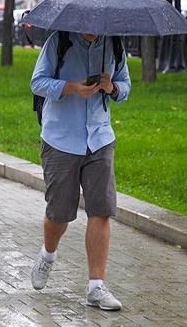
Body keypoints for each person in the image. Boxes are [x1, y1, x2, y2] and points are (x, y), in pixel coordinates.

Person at [29, 31, 131, 311]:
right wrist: (72, 87)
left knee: (101, 209)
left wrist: (111, 88)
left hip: (99, 138)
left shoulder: (114, 44)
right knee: (59, 213)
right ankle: (48, 255)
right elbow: (37, 82)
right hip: (61, 139)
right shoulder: (59, 42)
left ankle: (95, 287)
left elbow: (125, 87)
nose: (92, 28)